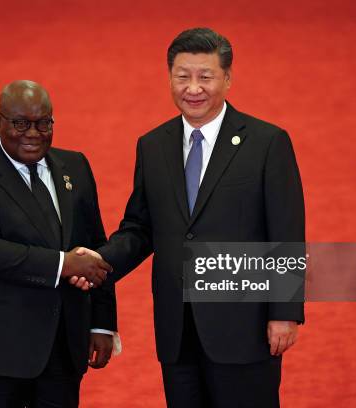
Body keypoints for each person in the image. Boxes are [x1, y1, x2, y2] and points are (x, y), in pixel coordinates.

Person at [83, 27, 305, 407]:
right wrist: (99, 262)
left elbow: (286, 230)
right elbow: (141, 227)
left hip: (243, 327)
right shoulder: (153, 145)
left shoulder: (267, 142)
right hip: (177, 329)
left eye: (206, 77)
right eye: (182, 76)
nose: (193, 88)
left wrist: (285, 312)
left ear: (228, 79)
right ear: (169, 76)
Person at [0, 80, 116, 408]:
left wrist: (103, 323)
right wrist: (64, 264)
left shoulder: (76, 166)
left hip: (64, 344)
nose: (33, 133)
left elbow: (95, 245)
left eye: (43, 123)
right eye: (20, 123)